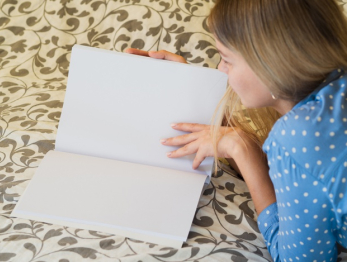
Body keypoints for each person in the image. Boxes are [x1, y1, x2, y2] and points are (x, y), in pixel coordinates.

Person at [126, 0, 347, 260]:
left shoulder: (297, 136)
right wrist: (192, 89)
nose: (221, 68)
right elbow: (306, 183)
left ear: (271, 64)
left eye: (226, 59)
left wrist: (242, 149)